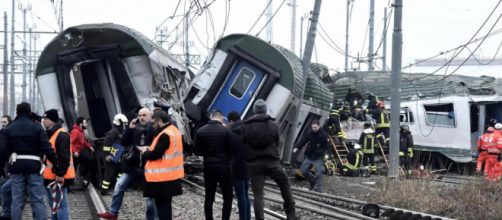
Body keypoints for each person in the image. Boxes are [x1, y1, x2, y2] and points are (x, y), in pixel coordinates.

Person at [0, 102, 59, 220]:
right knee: (37, 200)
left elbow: (2, 150)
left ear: (17, 112)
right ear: (29, 111)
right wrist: (56, 165)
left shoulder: (9, 128)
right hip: (34, 167)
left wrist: (1, 167)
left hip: (16, 167)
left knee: (17, 200)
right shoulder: (37, 127)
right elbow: (47, 148)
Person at [98, 107, 157, 220]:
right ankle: (113, 213)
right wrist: (130, 129)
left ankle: (152, 218)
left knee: (150, 196)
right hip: (133, 165)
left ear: (150, 117)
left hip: (148, 166)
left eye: (144, 115)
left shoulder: (154, 129)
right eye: (139, 115)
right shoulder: (134, 128)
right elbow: (124, 142)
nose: (141, 117)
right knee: (119, 186)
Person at [241, 99, 296, 220]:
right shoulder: (273, 125)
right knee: (285, 184)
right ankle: (291, 215)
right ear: (265, 110)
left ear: (255, 111)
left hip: (254, 164)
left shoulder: (245, 127)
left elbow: (243, 145)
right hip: (272, 162)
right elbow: (278, 143)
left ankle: (259, 218)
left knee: (258, 195)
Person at [138, 110, 183, 220]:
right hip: (172, 176)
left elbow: (156, 154)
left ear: (160, 121)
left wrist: (144, 153)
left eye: (154, 123)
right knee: (166, 207)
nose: (153, 125)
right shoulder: (173, 130)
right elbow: (165, 151)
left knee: (162, 209)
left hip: (162, 180)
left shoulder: (165, 135)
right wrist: (150, 149)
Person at [194, 110, 233, 220]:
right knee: (228, 197)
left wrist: (207, 153)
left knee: (209, 197)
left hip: (209, 167)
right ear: (221, 119)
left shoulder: (201, 131)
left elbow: (196, 151)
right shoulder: (226, 131)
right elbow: (231, 151)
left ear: (211, 117)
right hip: (224, 167)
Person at [41, 109, 75, 220]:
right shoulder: (52, 134)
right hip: (50, 176)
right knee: (54, 206)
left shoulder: (61, 135)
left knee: (60, 205)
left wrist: (60, 174)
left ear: (52, 120)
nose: (43, 121)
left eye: (45, 119)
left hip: (58, 177)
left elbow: (64, 157)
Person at [293, 120, 330, 192]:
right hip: (309, 156)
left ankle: (318, 190)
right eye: (313, 127)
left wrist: (329, 157)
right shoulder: (310, 133)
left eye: (315, 127)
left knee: (319, 172)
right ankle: (313, 181)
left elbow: (328, 146)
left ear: (319, 126)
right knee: (303, 171)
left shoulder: (324, 135)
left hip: (318, 157)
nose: (314, 129)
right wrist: (297, 147)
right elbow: (303, 141)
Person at [227, 111, 250, 220]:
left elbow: (229, 152)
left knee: (240, 196)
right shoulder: (249, 130)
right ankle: (248, 217)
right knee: (245, 195)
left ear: (231, 121)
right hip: (248, 166)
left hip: (236, 167)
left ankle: (243, 218)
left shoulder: (232, 133)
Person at [100, 114, 128, 196]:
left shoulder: (118, 131)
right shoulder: (113, 132)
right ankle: (104, 191)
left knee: (120, 172)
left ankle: (117, 188)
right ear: (119, 122)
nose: (124, 125)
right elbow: (106, 144)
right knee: (109, 174)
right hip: (111, 157)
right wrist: (107, 155)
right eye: (123, 123)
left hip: (117, 156)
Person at [70, 117, 94, 184]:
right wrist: (74, 152)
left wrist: (89, 146)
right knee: (87, 159)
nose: (86, 125)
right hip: (76, 152)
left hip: (79, 151)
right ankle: (82, 175)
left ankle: (83, 176)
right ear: (81, 124)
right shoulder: (75, 132)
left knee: (89, 158)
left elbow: (83, 142)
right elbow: (70, 143)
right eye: (85, 123)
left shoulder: (81, 131)